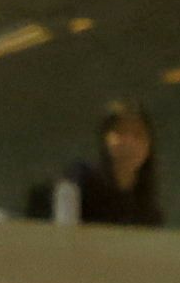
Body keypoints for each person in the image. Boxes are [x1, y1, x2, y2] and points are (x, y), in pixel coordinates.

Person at [56, 97, 161, 227]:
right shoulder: (80, 180)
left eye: (138, 134)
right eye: (120, 132)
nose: (129, 142)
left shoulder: (148, 208)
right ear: (105, 139)